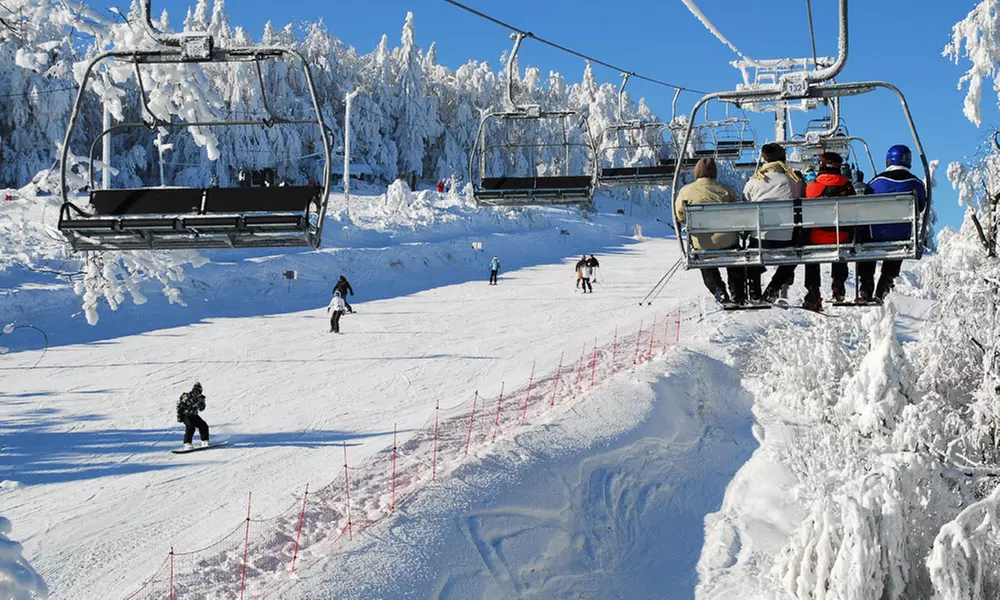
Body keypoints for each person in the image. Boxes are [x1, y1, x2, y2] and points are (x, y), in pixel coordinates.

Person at [675, 158, 746, 304]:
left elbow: (680, 215)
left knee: (705, 263)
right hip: (728, 241)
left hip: (703, 242)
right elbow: (738, 213)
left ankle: (718, 290)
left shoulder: (685, 192)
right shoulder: (727, 190)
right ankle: (737, 293)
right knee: (735, 260)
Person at [741, 143, 805, 302]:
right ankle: (774, 288)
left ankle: (754, 292)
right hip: (786, 239)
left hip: (760, 240)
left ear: (764, 160)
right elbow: (800, 200)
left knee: (751, 254)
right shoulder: (793, 180)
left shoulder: (753, 181)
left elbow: (745, 205)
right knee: (793, 256)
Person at [864, 144, 927, 302]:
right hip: (901, 235)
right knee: (897, 248)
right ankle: (884, 288)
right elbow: (920, 207)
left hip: (876, 234)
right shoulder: (917, 184)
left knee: (865, 243)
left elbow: (865, 203)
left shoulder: (876, 183)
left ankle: (865, 286)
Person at [803, 152, 855, 310]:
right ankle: (838, 285)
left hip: (816, 238)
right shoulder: (848, 187)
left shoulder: (813, 188)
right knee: (840, 242)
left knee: (810, 254)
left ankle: (813, 292)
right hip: (842, 236)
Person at [176, 382, 210, 450]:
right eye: (195, 391)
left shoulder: (200, 398)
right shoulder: (185, 396)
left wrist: (200, 403)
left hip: (193, 415)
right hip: (185, 415)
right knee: (190, 426)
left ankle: (204, 441)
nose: (196, 393)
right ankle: (187, 443)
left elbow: (201, 409)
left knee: (203, 425)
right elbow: (179, 405)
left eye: (198, 391)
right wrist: (179, 415)